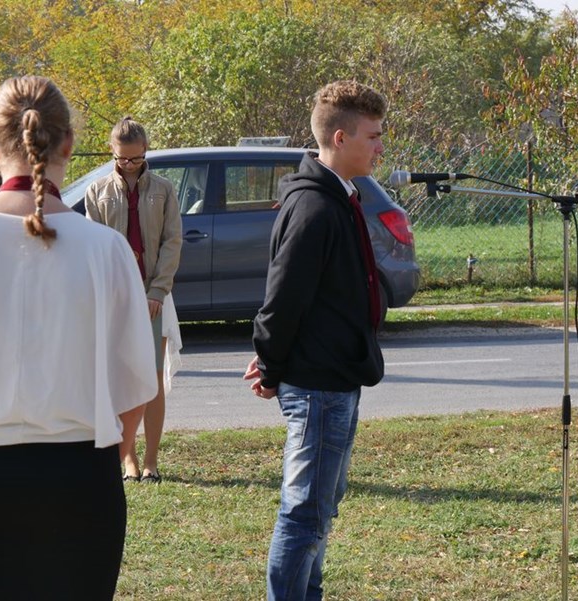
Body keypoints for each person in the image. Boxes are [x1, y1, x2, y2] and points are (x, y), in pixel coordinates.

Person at [0, 75, 156, 600]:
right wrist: (105, 460)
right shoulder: (106, 248)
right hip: (80, 473)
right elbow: (135, 384)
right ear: (69, 144)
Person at [243, 80, 387, 601]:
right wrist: (271, 365)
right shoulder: (314, 207)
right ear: (341, 137)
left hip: (338, 378)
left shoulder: (339, 197)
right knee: (304, 513)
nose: (380, 147)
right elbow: (282, 300)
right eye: (373, 136)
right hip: (318, 387)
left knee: (320, 510)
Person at [85, 117, 183, 484]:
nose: (129, 165)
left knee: (152, 378)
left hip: (154, 296)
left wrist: (157, 291)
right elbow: (94, 245)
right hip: (115, 297)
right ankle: (128, 460)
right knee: (119, 377)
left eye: (136, 158)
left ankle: (151, 462)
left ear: (146, 152)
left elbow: (173, 241)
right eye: (122, 158)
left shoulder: (164, 189)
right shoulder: (97, 192)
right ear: (112, 152)